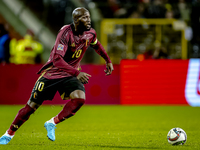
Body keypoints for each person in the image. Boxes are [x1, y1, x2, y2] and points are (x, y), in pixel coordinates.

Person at [0, 7, 114, 145]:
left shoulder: (90, 33)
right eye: (84, 17)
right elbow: (57, 60)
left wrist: (107, 60)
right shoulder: (65, 33)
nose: (88, 20)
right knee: (31, 107)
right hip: (53, 74)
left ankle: (52, 123)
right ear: (76, 20)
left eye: (89, 17)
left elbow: (97, 46)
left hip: (69, 75)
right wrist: (77, 73)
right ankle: (9, 133)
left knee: (79, 99)